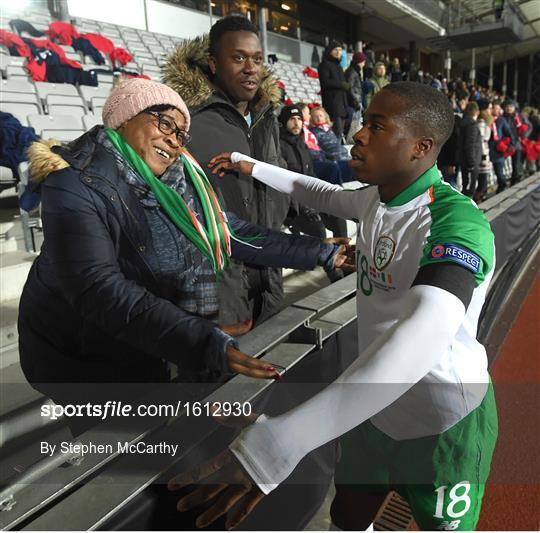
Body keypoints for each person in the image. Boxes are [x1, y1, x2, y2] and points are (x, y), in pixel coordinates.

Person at [169, 82, 498, 532]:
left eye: (377, 127)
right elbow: (318, 193)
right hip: (371, 409)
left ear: (421, 146)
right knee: (346, 518)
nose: (360, 135)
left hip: (443, 422)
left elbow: (424, 334)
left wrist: (287, 439)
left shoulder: (457, 221)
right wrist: (250, 165)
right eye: (364, 122)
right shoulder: (373, 199)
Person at [18, 79, 352, 436]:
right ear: (125, 117)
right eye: (163, 123)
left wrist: (323, 252)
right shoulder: (72, 185)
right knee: (118, 454)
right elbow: (99, 288)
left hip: (142, 337)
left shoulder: (179, 180)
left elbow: (230, 232)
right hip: (82, 355)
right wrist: (199, 340)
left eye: (180, 132)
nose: (173, 139)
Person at [164, 15, 291, 325]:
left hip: (269, 277)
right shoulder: (185, 119)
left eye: (257, 59)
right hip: (217, 286)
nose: (251, 68)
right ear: (213, 64)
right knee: (223, 372)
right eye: (238, 58)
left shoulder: (267, 117)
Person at [278, 104, 348, 241]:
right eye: (292, 119)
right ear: (284, 122)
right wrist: (305, 207)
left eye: (299, 119)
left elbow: (311, 176)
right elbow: (282, 183)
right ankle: (320, 261)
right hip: (292, 207)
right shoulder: (279, 147)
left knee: (338, 218)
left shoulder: (302, 144)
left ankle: (343, 255)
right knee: (319, 230)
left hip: (309, 200)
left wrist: (325, 197)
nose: (296, 122)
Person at [318, 39, 350, 140]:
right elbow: (325, 82)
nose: (338, 52)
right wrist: (341, 84)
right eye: (335, 49)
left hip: (342, 106)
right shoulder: (324, 64)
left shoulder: (339, 66)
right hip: (332, 106)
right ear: (330, 51)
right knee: (335, 134)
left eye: (340, 50)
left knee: (340, 134)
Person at [458, 101, 482, 197]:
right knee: (469, 190)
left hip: (465, 160)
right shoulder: (472, 125)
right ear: (476, 111)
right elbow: (470, 145)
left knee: (465, 187)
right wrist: (472, 163)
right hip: (471, 161)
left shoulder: (463, 122)